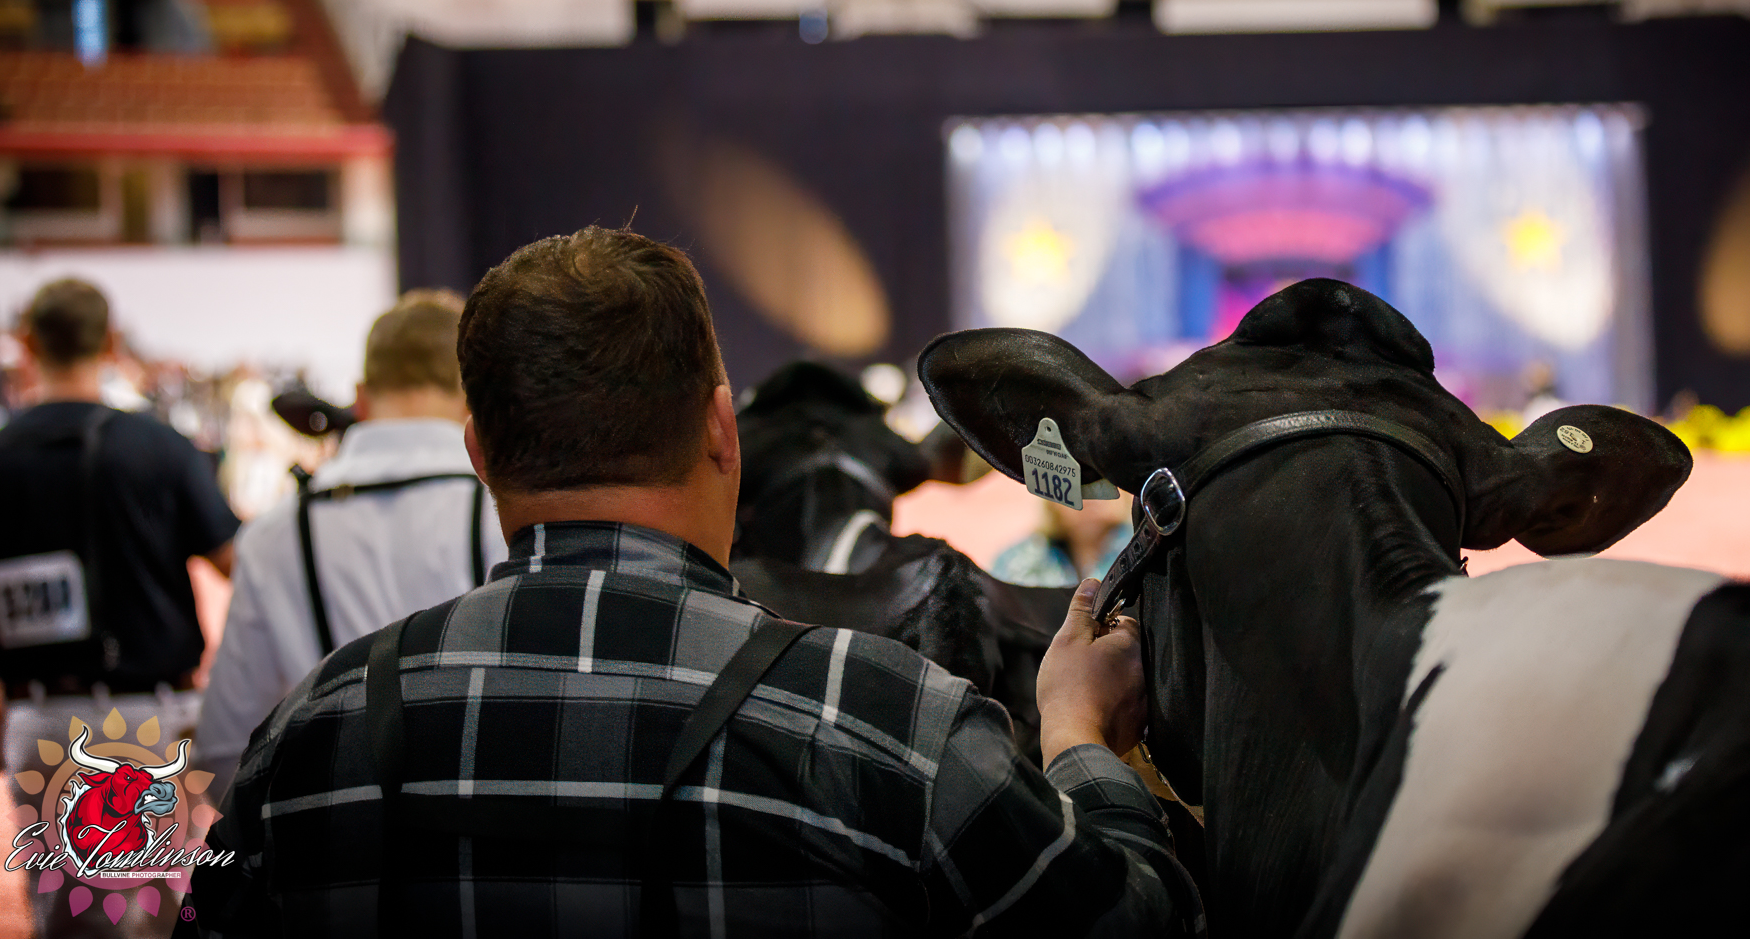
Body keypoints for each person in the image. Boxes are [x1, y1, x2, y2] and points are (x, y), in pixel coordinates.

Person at [190, 227, 1200, 936]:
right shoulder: (889, 723)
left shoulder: (315, 736)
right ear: (722, 432)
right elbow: (1135, 923)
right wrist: (1077, 734)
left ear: (480, 456)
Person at [0, 278, 239, 939]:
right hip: (155, 714)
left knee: (69, 922)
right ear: (110, 341)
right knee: (164, 918)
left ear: (27, 343)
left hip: (43, 716)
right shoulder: (160, 446)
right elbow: (237, 566)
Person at [194, 290, 507, 795]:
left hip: (323, 827)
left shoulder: (275, 535)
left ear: (360, 396)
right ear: (474, 395)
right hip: (480, 821)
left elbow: (224, 752)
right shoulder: (503, 515)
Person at [991, 494, 1132, 587]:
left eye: (1102, 484)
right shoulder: (1015, 562)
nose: (1090, 498)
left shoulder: (1142, 551)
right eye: (1077, 486)